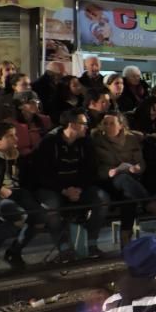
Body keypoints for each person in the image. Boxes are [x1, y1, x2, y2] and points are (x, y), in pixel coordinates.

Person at [0, 121, 60, 273]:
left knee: (41, 217)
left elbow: (26, 179)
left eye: (15, 135)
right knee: (18, 215)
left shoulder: (16, 155)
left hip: (17, 194)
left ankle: (14, 251)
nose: (16, 139)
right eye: (10, 136)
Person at [33, 108, 110, 260]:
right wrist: (64, 190)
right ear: (72, 125)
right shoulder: (49, 143)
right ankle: (64, 248)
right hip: (53, 187)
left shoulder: (86, 142)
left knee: (102, 199)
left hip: (79, 187)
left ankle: (91, 243)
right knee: (51, 206)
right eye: (83, 124)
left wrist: (79, 189)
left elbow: (90, 170)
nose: (87, 127)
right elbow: (42, 174)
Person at [92, 112, 156, 247]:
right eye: (105, 123)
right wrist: (112, 171)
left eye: (112, 123)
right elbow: (97, 166)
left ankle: (126, 240)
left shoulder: (131, 139)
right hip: (108, 181)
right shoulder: (97, 141)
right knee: (123, 179)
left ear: (121, 125)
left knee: (129, 195)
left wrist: (137, 168)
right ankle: (152, 206)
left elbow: (140, 162)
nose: (108, 126)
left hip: (132, 179)